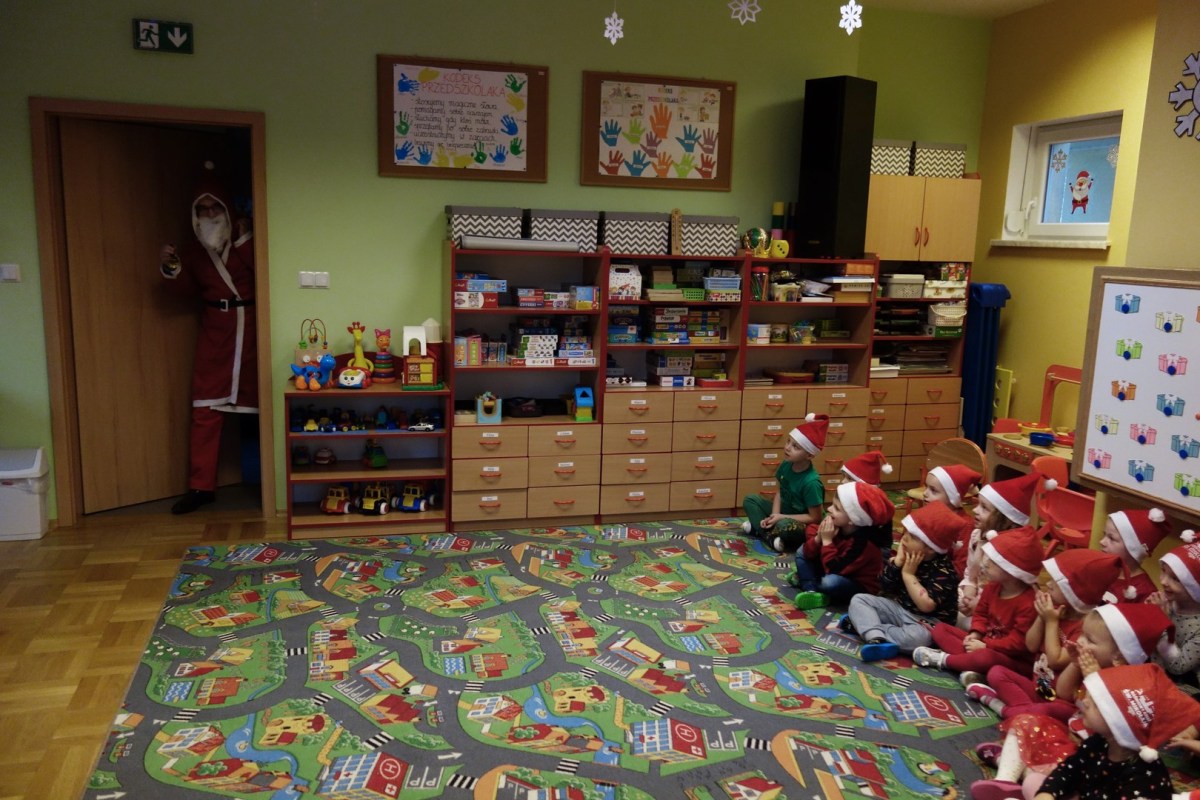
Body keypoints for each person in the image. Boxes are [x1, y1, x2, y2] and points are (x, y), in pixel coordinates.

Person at [970, 605, 1178, 800]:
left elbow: (1107, 731)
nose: (1081, 641)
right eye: (1082, 635)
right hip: (1072, 739)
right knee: (1027, 722)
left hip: (1079, 749)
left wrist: (1096, 678)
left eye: (1090, 640)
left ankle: (1013, 763)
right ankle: (1005, 779)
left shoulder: (1128, 688)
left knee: (1036, 782)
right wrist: (1076, 664)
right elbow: (1063, 692)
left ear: (1118, 656)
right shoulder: (1096, 744)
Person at [158, 162, 257, 514]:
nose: (211, 214)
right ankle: (201, 487)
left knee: (258, 407)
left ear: (227, 210)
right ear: (195, 214)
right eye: (203, 209)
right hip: (215, 333)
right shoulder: (192, 251)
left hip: (252, 330)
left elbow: (265, 271)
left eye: (216, 207)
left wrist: (244, 241)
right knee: (205, 409)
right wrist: (171, 266)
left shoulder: (248, 239)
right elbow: (184, 291)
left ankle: (266, 479)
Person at [968, 548, 1124, 720]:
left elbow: (1055, 661)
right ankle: (1025, 712)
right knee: (997, 673)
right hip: (1038, 687)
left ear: (1074, 592)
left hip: (1059, 700)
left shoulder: (1084, 627)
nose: (1048, 584)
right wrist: (1041, 617)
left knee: (1046, 710)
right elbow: (1031, 645)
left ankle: (1003, 707)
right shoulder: (1054, 610)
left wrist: (1051, 622)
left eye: (1056, 582)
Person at [1032, 663, 1200, 800]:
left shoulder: (1144, 777)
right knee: (1034, 782)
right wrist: (1048, 792)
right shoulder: (1099, 742)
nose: (1085, 702)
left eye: (1097, 704)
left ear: (1121, 725)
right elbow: (1069, 770)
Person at [911, 525, 1043, 683]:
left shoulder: (1028, 603)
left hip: (1010, 658)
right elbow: (981, 614)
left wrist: (985, 645)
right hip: (983, 644)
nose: (984, 564)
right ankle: (971, 666)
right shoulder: (992, 587)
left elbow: (1017, 643)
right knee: (940, 629)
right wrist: (976, 634)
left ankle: (946, 661)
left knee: (985, 657)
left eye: (992, 562)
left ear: (1011, 571)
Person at [840, 502, 963, 662]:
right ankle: (876, 638)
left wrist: (908, 574)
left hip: (927, 622)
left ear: (931, 548)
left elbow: (926, 606)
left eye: (913, 537)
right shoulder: (905, 556)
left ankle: (866, 627)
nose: (904, 538)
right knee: (859, 599)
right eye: (906, 532)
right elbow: (883, 586)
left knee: (919, 639)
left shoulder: (944, 572)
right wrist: (896, 565)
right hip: (899, 609)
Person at [790, 481, 895, 610]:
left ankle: (810, 583)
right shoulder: (838, 525)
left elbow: (834, 569)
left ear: (853, 519)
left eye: (836, 508)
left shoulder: (863, 544)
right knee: (802, 551)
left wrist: (827, 541)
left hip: (857, 584)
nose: (829, 509)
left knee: (829, 583)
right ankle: (810, 590)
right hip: (835, 569)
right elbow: (807, 550)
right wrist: (818, 538)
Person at [959, 473, 1043, 626]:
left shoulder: (1015, 549)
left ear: (1004, 518)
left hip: (1000, 610)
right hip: (977, 601)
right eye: (978, 504)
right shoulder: (977, 536)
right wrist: (968, 593)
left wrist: (980, 605)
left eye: (984, 508)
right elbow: (971, 575)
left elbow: (1015, 593)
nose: (975, 510)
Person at [741, 414, 827, 553]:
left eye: (795, 447)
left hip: (801, 522)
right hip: (783, 513)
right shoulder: (787, 464)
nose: (787, 448)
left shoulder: (811, 483)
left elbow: (815, 518)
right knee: (750, 500)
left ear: (810, 455)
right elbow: (781, 491)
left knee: (784, 526)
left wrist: (780, 518)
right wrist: (774, 515)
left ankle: (760, 531)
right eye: (788, 442)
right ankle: (770, 537)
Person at [1151, 534, 1200, 692]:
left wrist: (1161, 623)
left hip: (1183, 687)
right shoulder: (1167, 600)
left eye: (1175, 579)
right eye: (1163, 571)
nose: (1163, 581)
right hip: (1152, 671)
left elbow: (1178, 666)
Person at [1101, 507, 1172, 602]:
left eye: (1112, 538)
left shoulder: (1145, 591)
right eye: (1104, 535)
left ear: (1132, 548)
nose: (1102, 542)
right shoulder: (1100, 568)